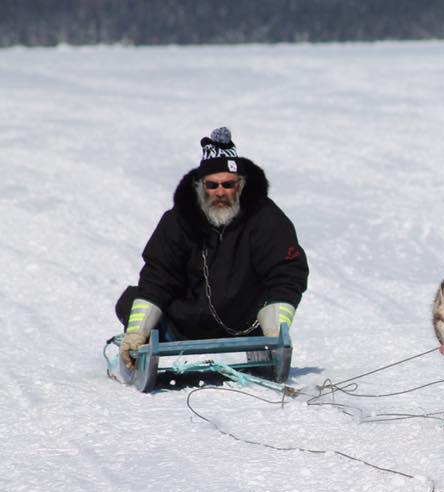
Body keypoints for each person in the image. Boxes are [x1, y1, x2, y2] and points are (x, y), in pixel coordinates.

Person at [115, 127, 309, 369]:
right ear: (200, 185)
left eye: (228, 184)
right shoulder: (177, 220)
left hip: (245, 323)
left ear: (240, 185)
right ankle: (141, 349)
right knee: (132, 299)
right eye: (212, 185)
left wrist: (274, 333)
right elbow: (158, 276)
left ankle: (264, 348)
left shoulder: (266, 218)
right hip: (186, 322)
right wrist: (137, 333)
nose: (220, 192)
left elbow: (287, 273)